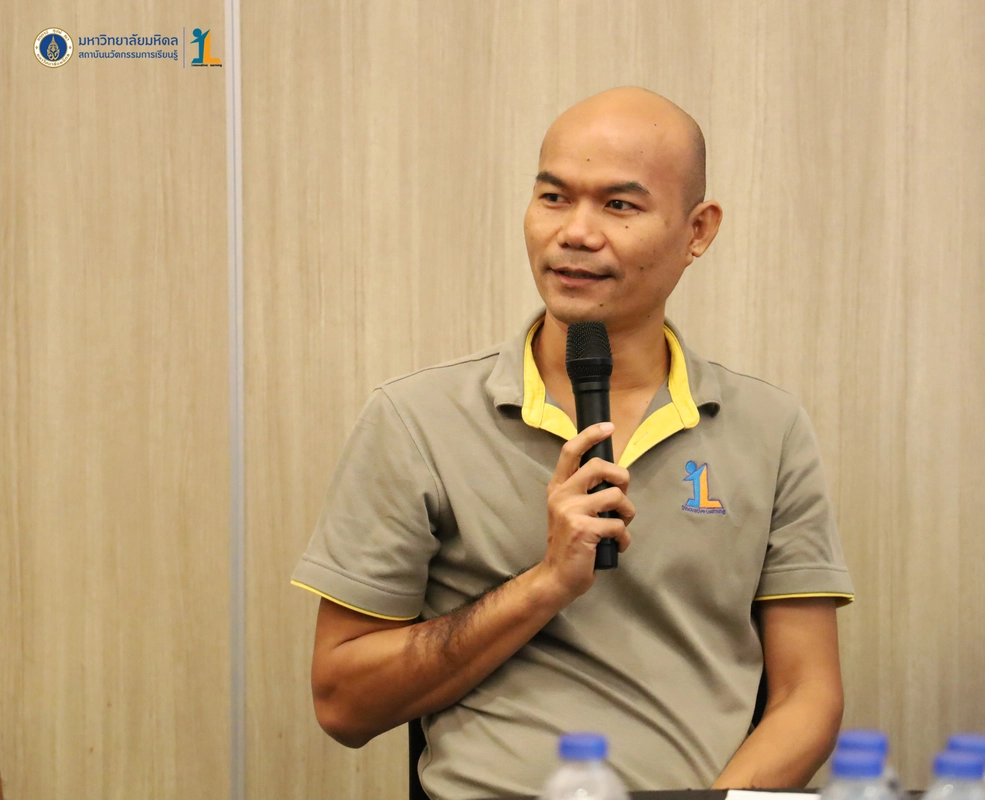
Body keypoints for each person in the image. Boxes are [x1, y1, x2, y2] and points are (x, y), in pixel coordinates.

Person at [292, 86, 855, 800]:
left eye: (619, 205)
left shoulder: (770, 428)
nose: (576, 233)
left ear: (698, 230)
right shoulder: (415, 420)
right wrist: (545, 584)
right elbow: (343, 704)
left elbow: (807, 696)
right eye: (554, 198)